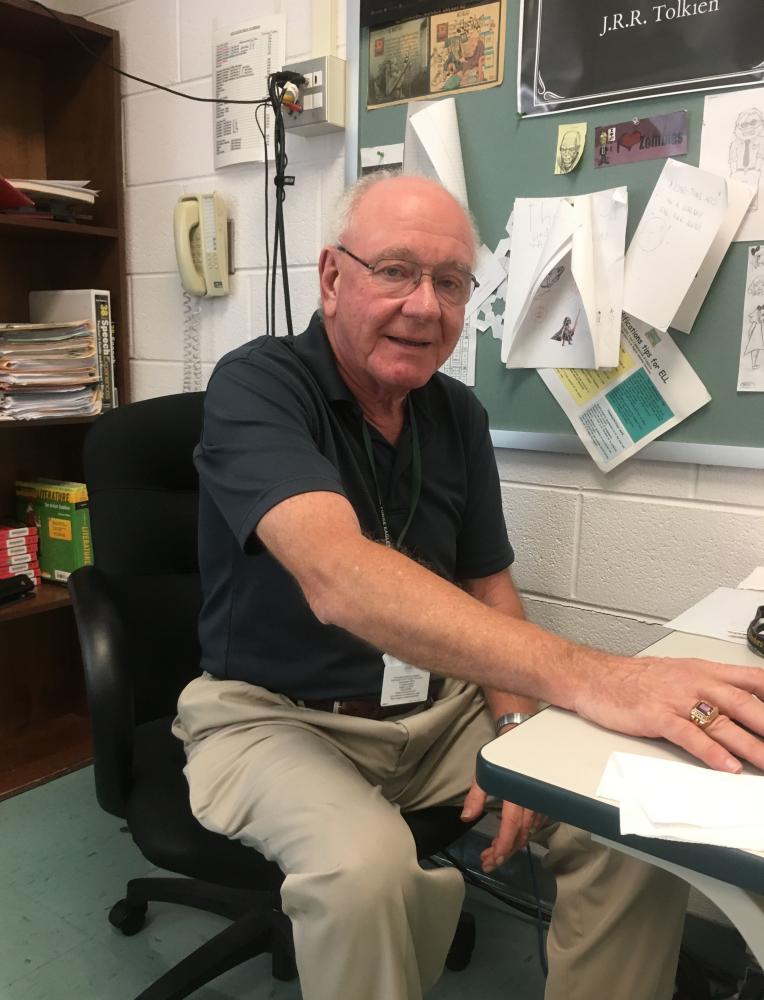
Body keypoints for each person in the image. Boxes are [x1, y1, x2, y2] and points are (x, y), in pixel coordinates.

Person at [173, 173, 764, 1000]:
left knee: (624, 827)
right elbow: (342, 580)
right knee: (367, 874)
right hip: (277, 719)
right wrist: (604, 677)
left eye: (450, 283)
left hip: (435, 713)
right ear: (332, 277)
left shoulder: (456, 414)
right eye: (396, 270)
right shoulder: (258, 384)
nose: (425, 305)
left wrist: (516, 729)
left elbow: (487, 580)